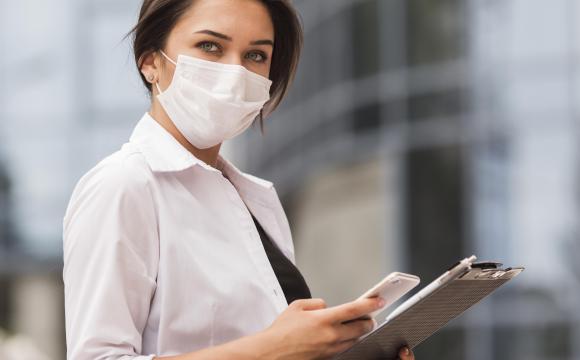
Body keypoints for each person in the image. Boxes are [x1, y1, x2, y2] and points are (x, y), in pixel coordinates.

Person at [62, 0, 415, 359]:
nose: (235, 73)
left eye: (256, 56)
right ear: (150, 61)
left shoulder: (256, 200)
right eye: (210, 46)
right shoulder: (123, 186)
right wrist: (274, 348)